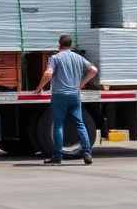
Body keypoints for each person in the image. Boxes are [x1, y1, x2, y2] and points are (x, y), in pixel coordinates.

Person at [34, 34, 98, 166]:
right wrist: (81, 83)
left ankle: (57, 156)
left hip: (59, 95)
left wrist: (39, 88)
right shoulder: (78, 57)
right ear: (70, 45)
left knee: (58, 125)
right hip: (75, 95)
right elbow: (93, 70)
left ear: (59, 45)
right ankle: (87, 153)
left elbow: (48, 73)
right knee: (80, 123)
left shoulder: (55, 58)